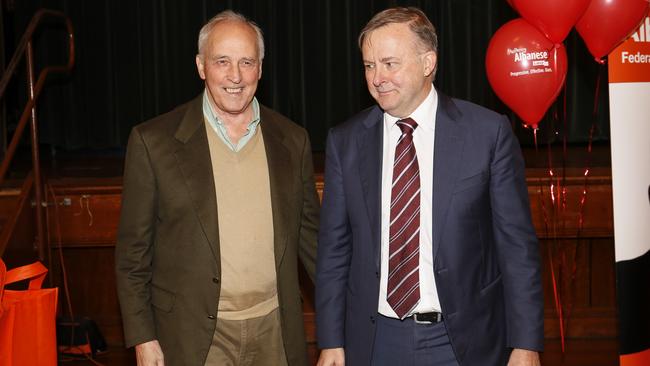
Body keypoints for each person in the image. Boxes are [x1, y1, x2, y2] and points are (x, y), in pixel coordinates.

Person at [315, 7, 543, 366]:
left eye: (389, 64)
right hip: (376, 341)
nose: (377, 78)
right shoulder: (346, 142)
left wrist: (525, 344)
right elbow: (333, 251)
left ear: (427, 63)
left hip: (463, 340)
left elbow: (517, 248)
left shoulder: (487, 133)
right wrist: (330, 341)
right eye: (369, 66)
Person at [115, 10, 319, 366]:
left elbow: (314, 245)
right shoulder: (153, 142)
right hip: (191, 335)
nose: (235, 76)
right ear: (200, 66)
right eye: (222, 61)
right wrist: (143, 337)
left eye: (247, 62)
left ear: (261, 67)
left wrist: (341, 327)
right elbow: (133, 255)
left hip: (275, 331)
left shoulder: (293, 140)